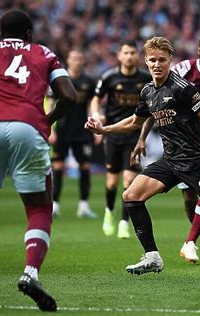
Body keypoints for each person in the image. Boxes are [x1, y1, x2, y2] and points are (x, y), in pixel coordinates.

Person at [85, 36, 200, 275]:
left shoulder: (183, 87)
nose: (157, 64)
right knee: (131, 195)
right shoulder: (148, 91)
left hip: (196, 161)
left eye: (162, 60)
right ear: (146, 62)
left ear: (170, 61)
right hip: (170, 161)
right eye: (153, 60)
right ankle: (152, 257)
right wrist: (104, 129)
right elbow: (136, 121)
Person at [0, 10, 76, 311]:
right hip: (29, 126)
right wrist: (47, 120)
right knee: (39, 207)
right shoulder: (44, 52)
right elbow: (70, 95)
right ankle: (30, 273)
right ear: (28, 33)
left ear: (2, 32)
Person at [131, 33, 200, 264]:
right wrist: (141, 138)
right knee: (189, 201)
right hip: (181, 143)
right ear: (198, 50)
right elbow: (156, 106)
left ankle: (189, 240)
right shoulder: (183, 70)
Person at [89, 40, 151, 238]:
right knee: (111, 182)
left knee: (129, 179)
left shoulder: (146, 78)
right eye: (126, 53)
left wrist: (143, 136)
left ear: (137, 56)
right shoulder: (109, 77)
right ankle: (109, 212)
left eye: (133, 52)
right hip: (113, 134)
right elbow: (96, 99)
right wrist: (96, 115)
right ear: (119, 56)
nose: (130, 56)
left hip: (133, 136)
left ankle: (124, 222)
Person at [50, 48, 97, 219]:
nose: (77, 60)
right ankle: (54, 205)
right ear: (68, 61)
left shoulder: (88, 82)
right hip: (62, 129)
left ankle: (83, 206)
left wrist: (96, 124)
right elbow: (49, 102)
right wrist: (50, 126)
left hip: (82, 130)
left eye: (79, 58)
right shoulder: (59, 80)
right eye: (74, 58)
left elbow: (93, 104)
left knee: (85, 166)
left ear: (83, 61)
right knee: (58, 166)